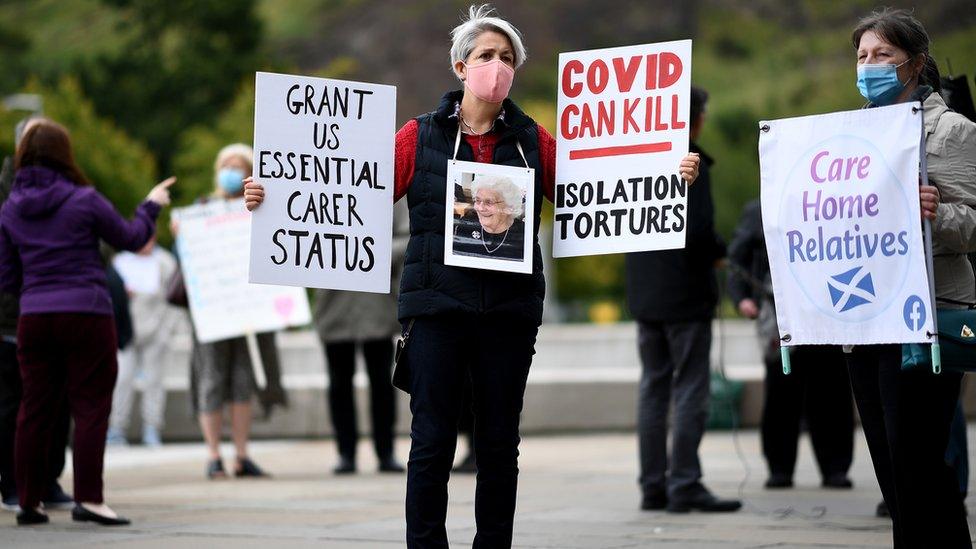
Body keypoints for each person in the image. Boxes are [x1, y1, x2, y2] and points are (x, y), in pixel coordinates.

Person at [244, 5, 701, 546]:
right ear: (460, 67)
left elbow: (597, 186)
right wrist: (269, 196)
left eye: (507, 58)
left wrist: (669, 176)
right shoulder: (416, 137)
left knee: (499, 443)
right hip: (436, 308)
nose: (498, 66)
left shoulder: (535, 140)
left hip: (508, 312)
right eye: (486, 55)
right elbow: (350, 194)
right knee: (432, 440)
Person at [0, 119, 175, 526]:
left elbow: (7, 278)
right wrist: (150, 204)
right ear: (66, 153)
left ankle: (28, 501)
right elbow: (131, 238)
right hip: (87, 312)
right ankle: (90, 499)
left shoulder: (10, 207)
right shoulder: (84, 199)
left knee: (33, 409)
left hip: (34, 316)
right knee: (92, 405)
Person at [844, 8, 976, 546]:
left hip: (928, 315)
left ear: (915, 64)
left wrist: (935, 211)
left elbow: (970, 229)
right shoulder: (846, 134)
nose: (869, 66)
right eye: (862, 57)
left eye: (883, 56)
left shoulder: (954, 130)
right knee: (890, 467)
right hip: (867, 317)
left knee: (915, 459)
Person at [624, 86, 737, 514]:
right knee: (690, 388)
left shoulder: (637, 163)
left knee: (653, 388)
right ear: (697, 119)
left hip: (645, 293)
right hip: (686, 295)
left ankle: (653, 486)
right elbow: (700, 233)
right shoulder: (691, 165)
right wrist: (720, 252)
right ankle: (685, 482)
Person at [728, 200, 855, 490]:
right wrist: (742, 298)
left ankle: (835, 468)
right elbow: (738, 259)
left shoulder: (832, 199)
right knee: (781, 392)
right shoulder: (760, 206)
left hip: (828, 306)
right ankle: (780, 468)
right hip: (778, 312)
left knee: (832, 389)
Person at [182, 143, 284, 479]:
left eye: (237, 166)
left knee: (243, 382)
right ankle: (213, 454)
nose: (230, 172)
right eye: (225, 165)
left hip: (247, 312)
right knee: (211, 380)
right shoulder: (201, 211)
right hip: (213, 312)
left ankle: (241, 455)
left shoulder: (262, 210)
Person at [0, 117, 73, 513]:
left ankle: (48, 479)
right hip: (13, 317)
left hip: (58, 309)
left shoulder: (71, 191)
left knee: (57, 403)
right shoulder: (5, 194)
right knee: (15, 406)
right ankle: (13, 482)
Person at [315, 201, 408, 475]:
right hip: (334, 301)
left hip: (375, 302)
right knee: (338, 382)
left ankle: (385, 452)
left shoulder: (386, 182)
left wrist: (368, 251)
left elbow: (405, 237)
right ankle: (345, 453)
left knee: (381, 381)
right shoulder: (322, 185)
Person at [107, 235, 181, 447]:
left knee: (154, 382)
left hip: (157, 332)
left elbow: (174, 297)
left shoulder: (165, 262)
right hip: (126, 333)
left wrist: (167, 330)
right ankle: (117, 427)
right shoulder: (119, 262)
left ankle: (152, 427)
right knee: (122, 379)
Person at [452, 174, 526, 261]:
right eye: (477, 200)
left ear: (509, 208)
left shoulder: (523, 234)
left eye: (489, 202)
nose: (480, 208)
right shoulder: (465, 225)